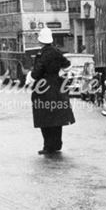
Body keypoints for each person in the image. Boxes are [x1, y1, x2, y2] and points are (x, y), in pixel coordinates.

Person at [30, 27, 75, 155]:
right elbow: (67, 65)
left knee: (44, 117)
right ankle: (57, 144)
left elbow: (36, 73)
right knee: (57, 118)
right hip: (57, 87)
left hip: (43, 88)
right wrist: (58, 73)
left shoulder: (42, 54)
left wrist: (32, 76)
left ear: (41, 40)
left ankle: (48, 146)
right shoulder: (57, 52)